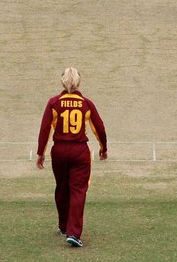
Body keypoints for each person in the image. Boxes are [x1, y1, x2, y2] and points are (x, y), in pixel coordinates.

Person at [36, 67, 107, 248]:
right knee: (78, 191)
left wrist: (40, 153)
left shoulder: (54, 102)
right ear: (78, 82)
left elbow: (45, 129)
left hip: (59, 151)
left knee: (61, 188)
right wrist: (103, 148)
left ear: (62, 82)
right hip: (79, 152)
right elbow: (99, 127)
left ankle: (63, 226)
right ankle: (74, 233)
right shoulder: (86, 103)